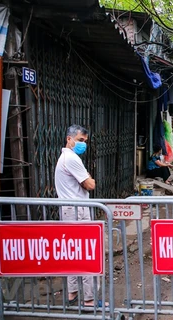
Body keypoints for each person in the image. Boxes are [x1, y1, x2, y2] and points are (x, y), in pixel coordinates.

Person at [54, 124, 102, 308]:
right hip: (77, 211)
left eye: (85, 142)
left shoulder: (64, 158)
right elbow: (90, 184)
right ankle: (89, 300)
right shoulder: (72, 158)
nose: (83, 144)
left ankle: (72, 293)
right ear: (69, 139)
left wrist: (86, 180)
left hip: (68, 210)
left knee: (72, 252)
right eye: (80, 140)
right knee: (87, 253)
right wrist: (89, 180)